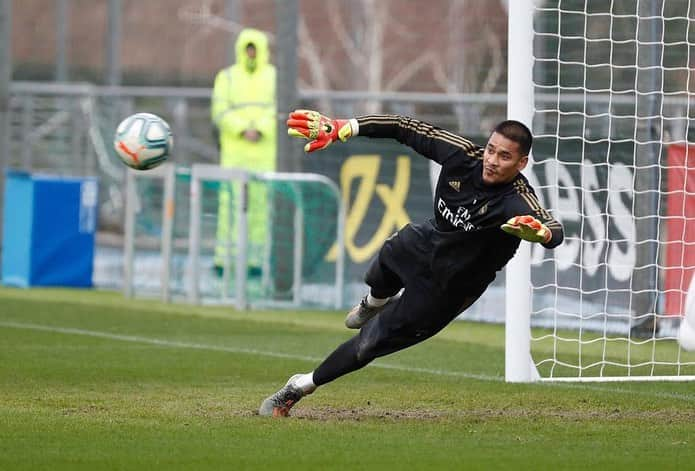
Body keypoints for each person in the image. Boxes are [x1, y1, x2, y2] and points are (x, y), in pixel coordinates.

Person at [258, 109, 564, 417]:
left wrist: (542, 233)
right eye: (491, 150)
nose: (493, 161)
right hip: (427, 242)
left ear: (521, 163)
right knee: (390, 253)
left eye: (505, 157)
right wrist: (342, 127)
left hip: (450, 287)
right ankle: (375, 301)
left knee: (368, 345)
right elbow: (404, 126)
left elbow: (553, 229)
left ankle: (298, 386)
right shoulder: (462, 155)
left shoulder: (518, 198)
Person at [210, 28, 276, 276]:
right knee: (229, 206)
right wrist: (242, 130)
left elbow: (278, 109)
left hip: (263, 155)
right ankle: (223, 258)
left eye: (254, 48)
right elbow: (220, 110)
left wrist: (259, 129)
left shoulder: (273, 76)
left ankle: (255, 262)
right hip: (235, 154)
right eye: (247, 48)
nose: (250, 53)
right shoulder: (226, 77)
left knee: (260, 208)